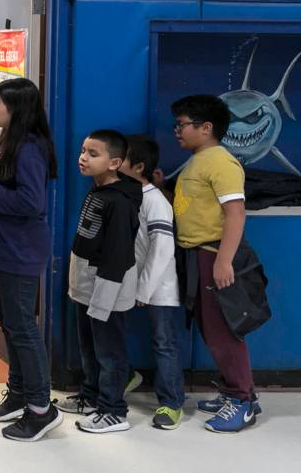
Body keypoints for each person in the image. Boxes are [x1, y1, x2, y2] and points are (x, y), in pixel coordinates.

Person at [0, 78, 62, 442]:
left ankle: (41, 408)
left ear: (15, 108)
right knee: (8, 319)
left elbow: (29, 202)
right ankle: (19, 391)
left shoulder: (30, 148)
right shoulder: (10, 142)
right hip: (5, 249)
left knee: (22, 326)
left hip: (21, 250)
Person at [171, 95, 260, 433]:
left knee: (224, 331)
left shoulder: (221, 162)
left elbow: (235, 213)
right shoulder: (198, 160)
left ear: (206, 128)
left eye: (182, 125)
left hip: (213, 255)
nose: (177, 131)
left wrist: (223, 261)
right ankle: (232, 390)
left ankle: (242, 400)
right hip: (197, 255)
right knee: (210, 328)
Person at [58, 130, 141, 434]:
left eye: (94, 154)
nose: (83, 157)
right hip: (86, 284)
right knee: (90, 347)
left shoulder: (120, 201)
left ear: (115, 162)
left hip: (106, 288)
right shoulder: (97, 190)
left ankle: (114, 411)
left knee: (110, 352)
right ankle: (91, 396)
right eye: (83, 150)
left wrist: (104, 297)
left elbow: (117, 254)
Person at [120, 134, 184, 430]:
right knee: (110, 330)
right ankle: (125, 376)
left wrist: (144, 288)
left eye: (122, 157)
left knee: (164, 343)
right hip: (128, 281)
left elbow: (161, 250)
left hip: (158, 287)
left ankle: (171, 403)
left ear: (139, 166)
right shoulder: (125, 195)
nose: (115, 161)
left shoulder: (156, 201)